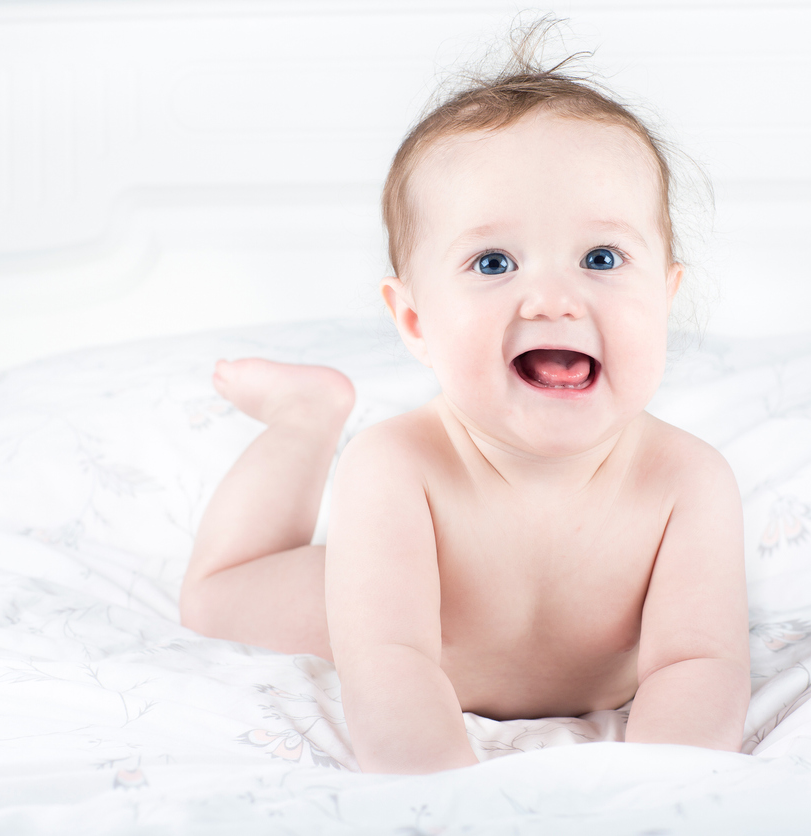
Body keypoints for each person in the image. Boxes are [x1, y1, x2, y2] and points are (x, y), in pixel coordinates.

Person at [179, 20, 750, 775]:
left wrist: (661, 791)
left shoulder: (688, 481)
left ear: (665, 297)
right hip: (370, 600)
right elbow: (391, 667)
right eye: (493, 261)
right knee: (213, 601)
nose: (553, 298)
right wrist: (445, 798)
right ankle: (304, 419)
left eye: (601, 257)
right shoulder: (397, 467)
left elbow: (700, 664)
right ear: (415, 320)